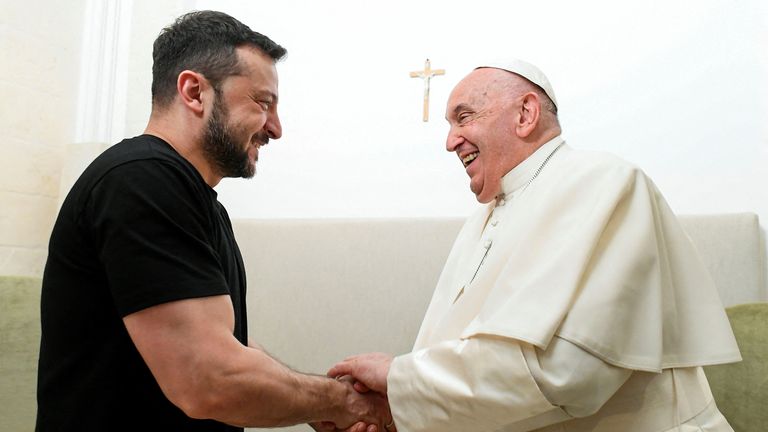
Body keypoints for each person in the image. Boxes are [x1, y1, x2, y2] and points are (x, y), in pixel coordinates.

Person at [328, 59, 742, 432]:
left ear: (525, 114)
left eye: (465, 117)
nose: (450, 141)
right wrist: (396, 411)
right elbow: (465, 361)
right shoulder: (483, 219)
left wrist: (399, 385)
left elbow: (569, 376)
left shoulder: (603, 181)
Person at [36, 10, 388, 431]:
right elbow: (211, 378)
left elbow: (223, 343)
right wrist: (339, 402)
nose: (275, 128)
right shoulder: (140, 180)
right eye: (262, 102)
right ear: (194, 91)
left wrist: (312, 404)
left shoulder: (195, 198)